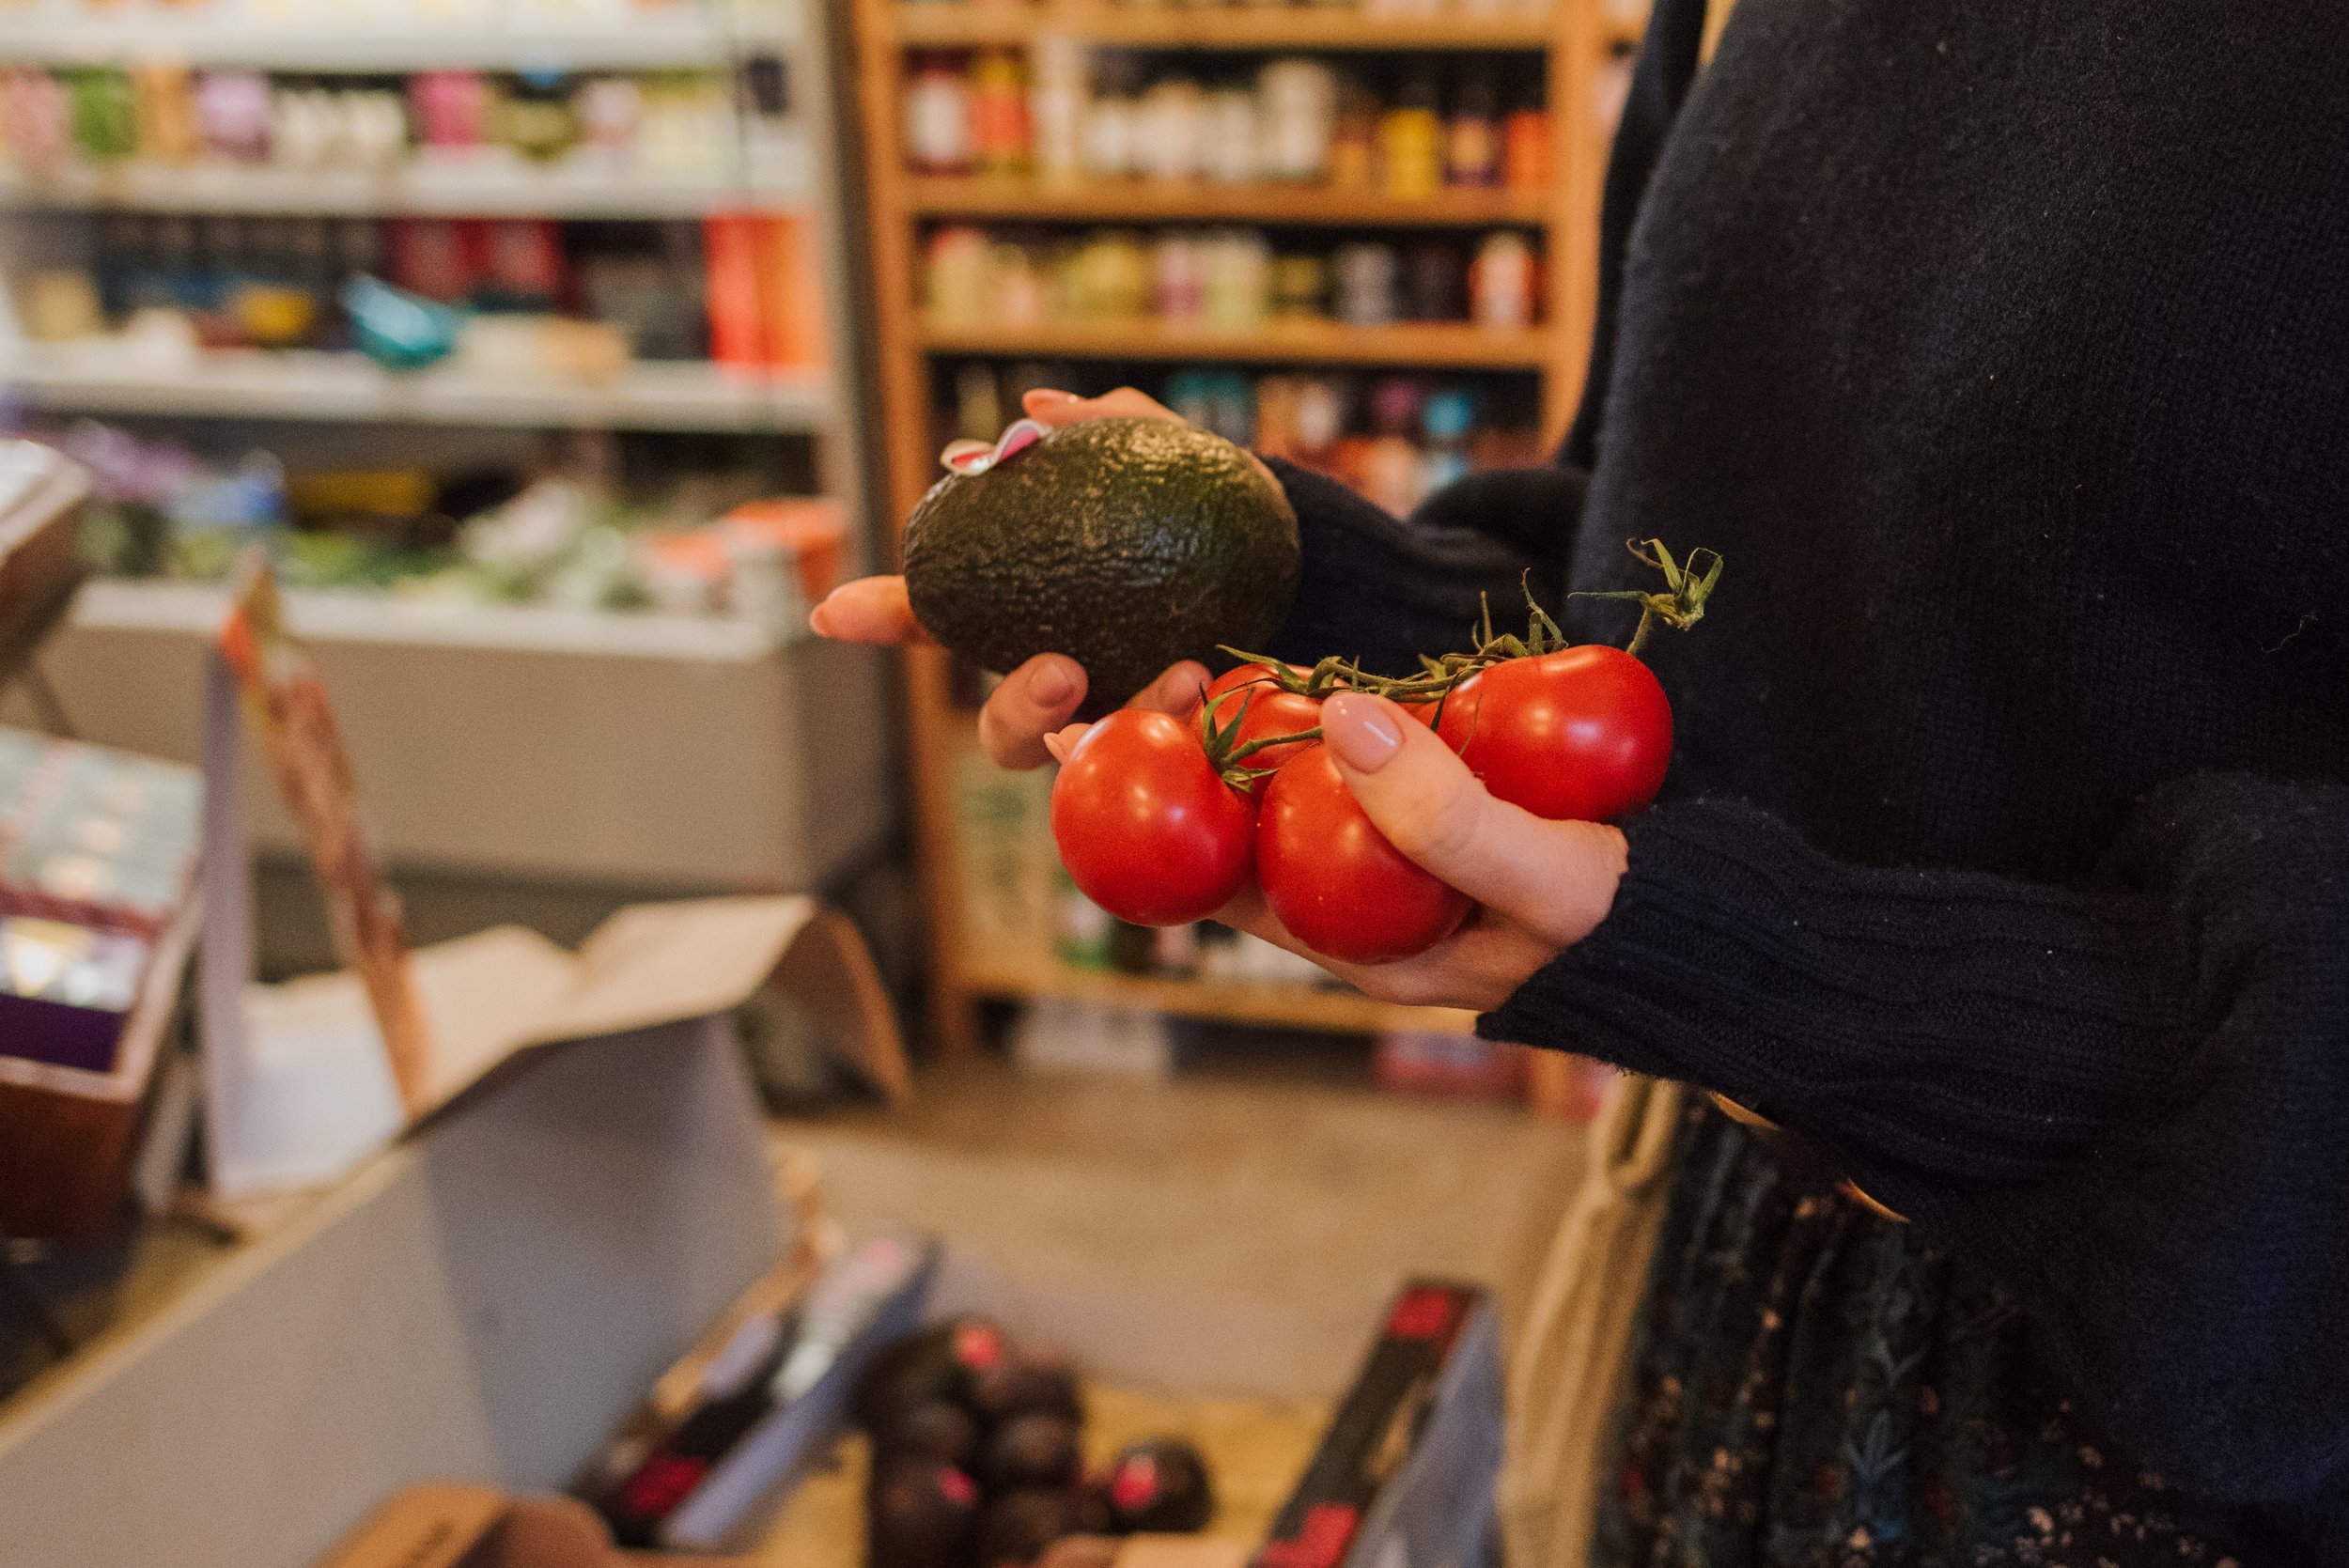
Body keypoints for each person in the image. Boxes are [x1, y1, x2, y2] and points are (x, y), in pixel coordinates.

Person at [817, 0, 2349, 1560]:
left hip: (2198, 1383)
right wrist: (1278, 584)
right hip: (1742, 1216)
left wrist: (1824, 982)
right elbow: (1651, 583)